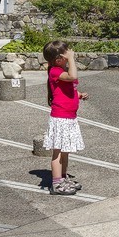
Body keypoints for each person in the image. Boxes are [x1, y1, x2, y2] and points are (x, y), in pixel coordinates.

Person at [43, 39, 85, 195]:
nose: (69, 54)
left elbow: (68, 88)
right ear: (58, 59)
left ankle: (63, 177)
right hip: (60, 118)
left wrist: (79, 95)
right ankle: (56, 183)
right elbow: (73, 76)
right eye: (66, 53)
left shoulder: (61, 70)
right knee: (58, 152)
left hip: (69, 117)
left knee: (65, 150)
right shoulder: (55, 71)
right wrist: (72, 59)